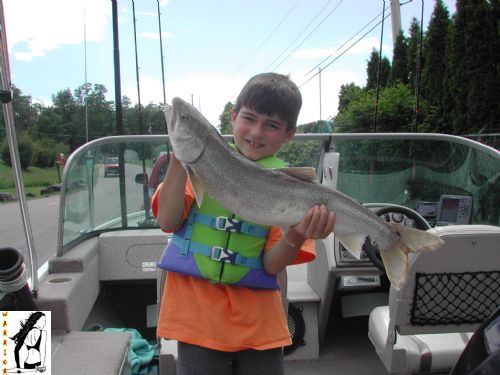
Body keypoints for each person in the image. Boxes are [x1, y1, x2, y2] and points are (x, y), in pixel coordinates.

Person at [152, 72, 336, 375]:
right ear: (234, 117)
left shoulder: (287, 187)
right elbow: (167, 220)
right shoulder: (201, 164)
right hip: (196, 318)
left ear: (289, 134)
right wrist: (179, 160)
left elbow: (272, 265)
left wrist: (299, 231)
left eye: (271, 125)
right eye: (249, 119)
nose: (257, 132)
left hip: (259, 326)